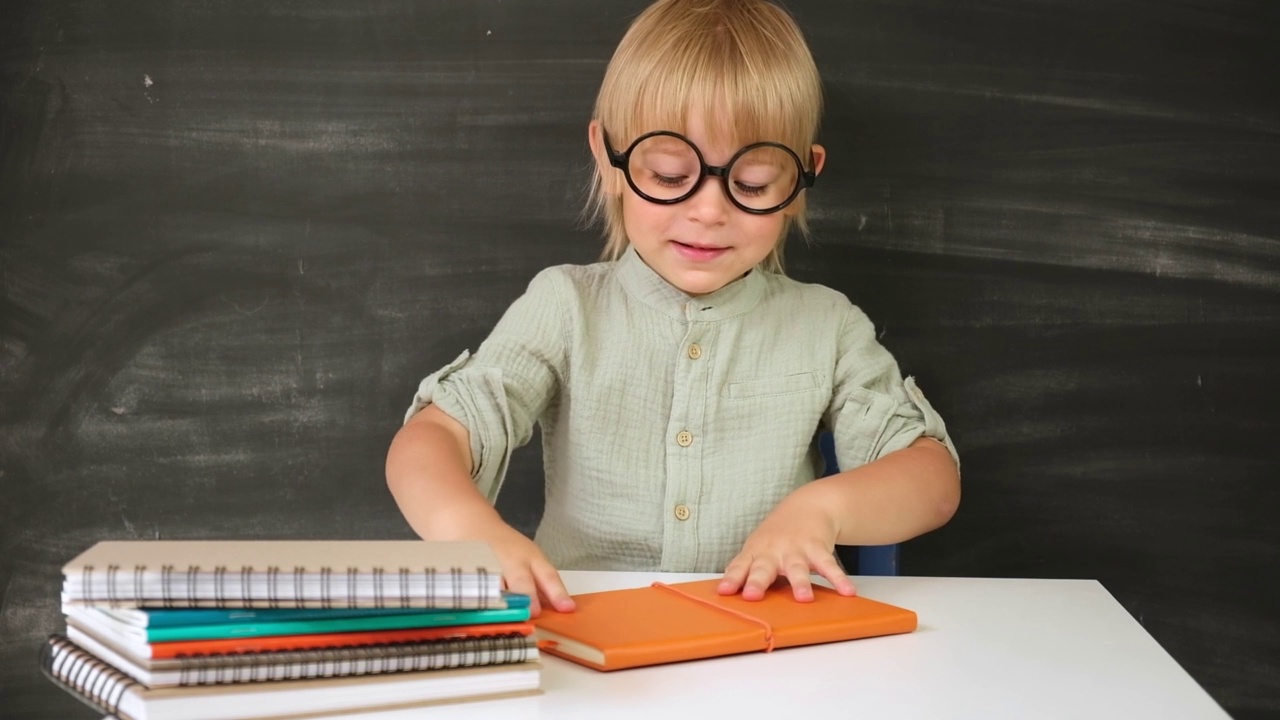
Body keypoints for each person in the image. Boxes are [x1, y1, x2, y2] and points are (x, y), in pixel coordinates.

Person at [386, 0, 960, 617]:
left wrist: (821, 510)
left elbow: (929, 477)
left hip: (767, 642)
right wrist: (473, 533)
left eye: (753, 184)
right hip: (588, 632)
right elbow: (433, 438)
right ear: (608, 158)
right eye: (667, 175)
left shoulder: (828, 325)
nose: (709, 212)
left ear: (801, 181)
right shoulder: (565, 305)